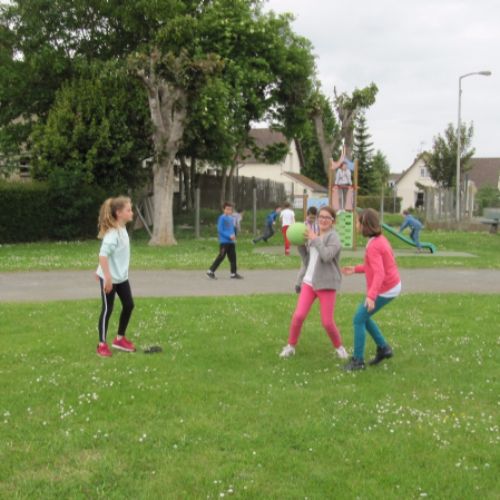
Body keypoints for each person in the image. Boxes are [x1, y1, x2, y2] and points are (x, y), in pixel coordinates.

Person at [280, 206, 348, 360]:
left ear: (333, 221)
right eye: (321, 217)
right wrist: (300, 245)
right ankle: (290, 346)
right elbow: (308, 261)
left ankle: (340, 348)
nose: (323, 220)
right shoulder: (314, 236)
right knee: (298, 316)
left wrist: (314, 239)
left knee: (327, 322)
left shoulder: (334, 238)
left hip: (326, 284)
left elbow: (327, 256)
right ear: (317, 219)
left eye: (327, 218)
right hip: (309, 283)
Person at [341, 208, 401, 371]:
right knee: (363, 317)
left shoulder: (374, 245)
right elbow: (374, 267)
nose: (356, 225)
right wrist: (356, 269)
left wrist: (371, 296)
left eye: (357, 222)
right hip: (391, 285)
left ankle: (358, 361)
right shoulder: (378, 240)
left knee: (358, 319)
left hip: (386, 288)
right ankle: (384, 348)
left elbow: (379, 273)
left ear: (365, 224)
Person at [96, 196, 136, 357]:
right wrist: (106, 277)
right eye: (129, 210)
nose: (131, 213)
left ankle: (119, 339)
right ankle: (101, 344)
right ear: (119, 213)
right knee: (108, 309)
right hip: (110, 279)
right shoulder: (113, 234)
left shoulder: (122, 229)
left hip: (121, 278)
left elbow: (111, 255)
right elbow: (103, 255)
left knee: (129, 305)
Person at [207, 202, 243, 280]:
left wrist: (234, 237)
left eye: (230, 209)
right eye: (227, 209)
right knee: (221, 256)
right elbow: (220, 230)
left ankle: (233, 273)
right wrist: (229, 236)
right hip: (224, 242)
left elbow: (231, 229)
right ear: (223, 209)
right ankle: (210, 271)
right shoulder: (222, 218)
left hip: (231, 242)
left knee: (233, 257)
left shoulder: (231, 218)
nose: (229, 211)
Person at [295, 206, 319, 294]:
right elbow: (298, 235)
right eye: (310, 217)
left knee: (306, 264)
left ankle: (299, 285)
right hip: (302, 246)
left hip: (312, 248)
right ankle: (300, 285)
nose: (312, 219)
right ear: (307, 215)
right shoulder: (303, 225)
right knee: (306, 264)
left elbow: (317, 235)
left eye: (314, 217)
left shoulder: (317, 225)